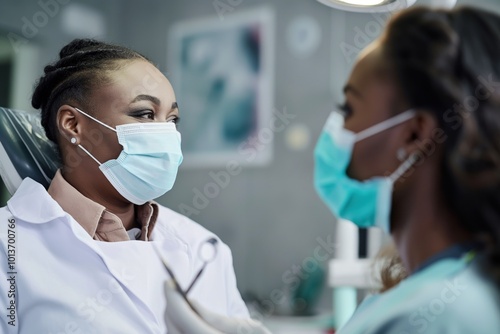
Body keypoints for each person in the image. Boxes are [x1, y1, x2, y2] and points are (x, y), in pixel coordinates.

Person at [164, 5, 500, 333]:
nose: (335, 131)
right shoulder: (438, 290)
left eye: (348, 108)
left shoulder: (434, 315)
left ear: (414, 135)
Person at [0, 39, 249, 334]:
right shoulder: (8, 248)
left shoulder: (204, 248)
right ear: (73, 124)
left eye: (172, 119)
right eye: (145, 114)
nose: (166, 133)